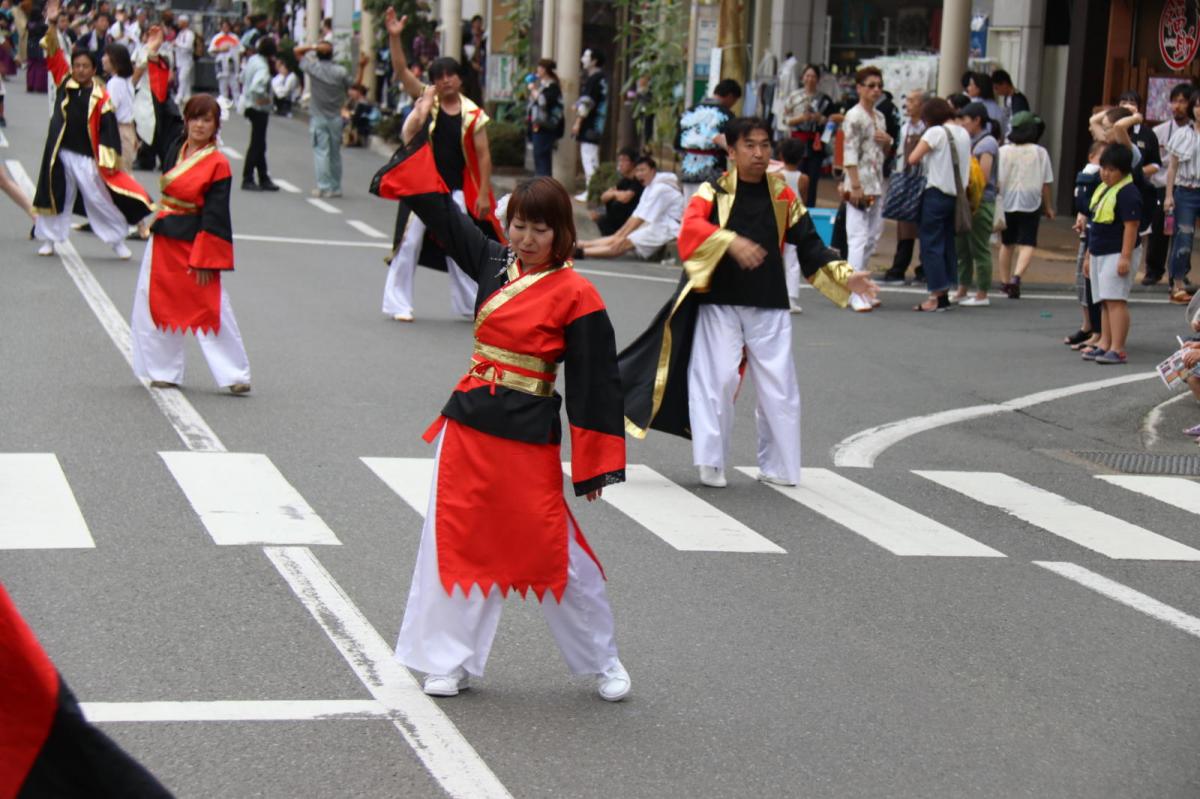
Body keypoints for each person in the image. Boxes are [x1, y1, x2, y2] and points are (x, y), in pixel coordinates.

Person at [376, 85, 631, 701]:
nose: (526, 237)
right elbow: (440, 211)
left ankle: (603, 661)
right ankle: (450, 660)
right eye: (518, 224)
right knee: (456, 543)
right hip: (468, 426)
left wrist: (595, 466)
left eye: (540, 228)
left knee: (555, 551)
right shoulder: (492, 261)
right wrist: (412, 144)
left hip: (527, 433)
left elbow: (596, 382)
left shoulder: (577, 294)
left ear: (561, 232)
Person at [618, 117, 878, 488]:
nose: (759, 153)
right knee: (719, 377)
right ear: (732, 150)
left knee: (780, 385)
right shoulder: (712, 191)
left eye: (765, 145)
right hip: (719, 301)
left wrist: (845, 276)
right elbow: (690, 229)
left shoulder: (783, 194)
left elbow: (810, 244)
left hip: (768, 301)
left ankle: (779, 466)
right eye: (750, 146)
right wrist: (728, 240)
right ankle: (711, 460)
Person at [376, 8, 500, 323]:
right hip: (421, 188)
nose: (445, 80)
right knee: (408, 244)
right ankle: (398, 303)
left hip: (454, 190)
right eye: (439, 76)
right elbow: (401, 70)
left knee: (461, 247)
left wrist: (483, 193)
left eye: (450, 75)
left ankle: (469, 304)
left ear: (459, 78)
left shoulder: (473, 114)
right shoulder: (426, 102)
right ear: (433, 82)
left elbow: (484, 155)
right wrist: (395, 38)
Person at [129, 94, 251, 394]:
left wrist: (206, 259)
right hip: (164, 237)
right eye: (194, 118)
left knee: (212, 306)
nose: (199, 125)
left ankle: (234, 374)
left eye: (207, 120)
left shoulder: (218, 164)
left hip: (196, 240)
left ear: (216, 125)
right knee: (157, 303)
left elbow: (216, 214)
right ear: (186, 121)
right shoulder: (176, 147)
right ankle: (163, 370)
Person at [32, 1, 152, 259]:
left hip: (88, 156)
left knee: (98, 198)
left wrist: (108, 157)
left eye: (85, 66)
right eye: (77, 65)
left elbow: (108, 128)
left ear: (93, 69)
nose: (80, 70)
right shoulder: (65, 81)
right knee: (58, 196)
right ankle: (49, 240)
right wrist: (51, 23)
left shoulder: (101, 95)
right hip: (62, 152)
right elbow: (53, 52)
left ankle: (117, 239)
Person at [907, 97, 972, 312]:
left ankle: (935, 295)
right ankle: (944, 294)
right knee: (947, 244)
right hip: (956, 197)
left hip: (935, 194)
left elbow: (913, 158)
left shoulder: (935, 132)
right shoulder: (963, 133)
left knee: (931, 244)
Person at [1080, 144, 1141, 365]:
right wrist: (1089, 255)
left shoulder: (1128, 192)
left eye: (1112, 169)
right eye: (1104, 168)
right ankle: (1105, 343)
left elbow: (1131, 227)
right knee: (1105, 300)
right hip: (1100, 250)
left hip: (1117, 252)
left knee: (1116, 300)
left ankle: (1118, 348)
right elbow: (1095, 224)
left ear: (1123, 170)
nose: (1106, 173)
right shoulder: (1104, 188)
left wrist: (1125, 257)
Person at [840, 66, 891, 312]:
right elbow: (849, 152)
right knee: (858, 237)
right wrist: (855, 184)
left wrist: (888, 141)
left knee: (871, 237)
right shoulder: (854, 116)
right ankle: (854, 291)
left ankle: (863, 287)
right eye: (871, 85)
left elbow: (882, 152)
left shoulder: (879, 116)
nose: (876, 90)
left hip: (876, 182)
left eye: (879, 86)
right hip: (859, 183)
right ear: (859, 88)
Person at [295, 40, 368, 199]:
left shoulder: (314, 68)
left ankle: (324, 187)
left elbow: (297, 52)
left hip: (319, 116)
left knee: (321, 152)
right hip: (336, 117)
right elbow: (356, 85)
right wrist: (362, 67)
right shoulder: (340, 71)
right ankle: (335, 187)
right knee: (335, 153)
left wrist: (314, 46)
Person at [996, 111, 1055, 299]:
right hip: (1031, 201)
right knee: (1028, 243)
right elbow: (1046, 183)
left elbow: (997, 179)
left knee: (1007, 243)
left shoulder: (1003, 151)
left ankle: (1004, 282)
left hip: (1007, 200)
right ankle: (1016, 277)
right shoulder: (1040, 152)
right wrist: (1048, 207)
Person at [577, 156, 683, 259]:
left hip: (670, 228)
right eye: (637, 171)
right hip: (658, 223)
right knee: (618, 237)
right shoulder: (649, 187)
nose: (639, 174)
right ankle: (581, 245)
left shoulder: (660, 189)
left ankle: (582, 252)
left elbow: (641, 218)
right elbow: (636, 214)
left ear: (653, 171)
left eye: (643, 170)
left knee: (624, 242)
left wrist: (623, 236)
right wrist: (620, 233)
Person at [880, 88, 929, 286]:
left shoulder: (929, 129)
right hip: (905, 179)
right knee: (904, 226)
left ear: (922, 105)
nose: (907, 104)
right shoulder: (904, 127)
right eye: (907, 100)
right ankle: (898, 268)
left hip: (923, 180)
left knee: (924, 227)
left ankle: (924, 269)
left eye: (912, 101)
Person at [1146, 83, 1193, 286]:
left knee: (1184, 231)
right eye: (1174, 101)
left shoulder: (1195, 132)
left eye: (1182, 101)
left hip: (1186, 185)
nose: (1177, 106)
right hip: (1161, 184)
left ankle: (1180, 271)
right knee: (1158, 228)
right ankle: (1153, 270)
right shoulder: (1159, 131)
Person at [953, 102, 999, 306]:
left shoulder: (987, 143)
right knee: (962, 248)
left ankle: (982, 293)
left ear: (977, 120)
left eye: (965, 119)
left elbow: (984, 177)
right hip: (967, 201)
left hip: (980, 201)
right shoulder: (971, 141)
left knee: (979, 248)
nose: (962, 123)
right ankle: (962, 289)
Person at [1067, 141, 1106, 353]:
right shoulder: (1088, 175)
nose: (1104, 167)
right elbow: (1085, 204)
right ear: (1091, 157)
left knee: (1096, 287)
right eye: (1101, 160)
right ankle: (1088, 326)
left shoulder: (1101, 178)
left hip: (1098, 237)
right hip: (1087, 234)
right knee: (1082, 282)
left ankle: (1098, 332)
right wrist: (1082, 216)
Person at [676, 78, 741, 201]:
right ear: (730, 96)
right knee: (711, 206)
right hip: (714, 169)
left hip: (688, 168)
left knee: (690, 205)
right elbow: (732, 145)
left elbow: (677, 144)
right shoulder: (727, 115)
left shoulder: (688, 112)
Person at [1163, 89, 1200, 305]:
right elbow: (1172, 167)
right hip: (1185, 191)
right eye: (1197, 105)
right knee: (1183, 238)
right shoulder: (1182, 134)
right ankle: (1177, 285)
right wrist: (1168, 195)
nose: (1199, 110)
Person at [781, 64, 834, 208]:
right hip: (796, 143)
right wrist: (800, 119)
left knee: (812, 178)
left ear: (818, 79)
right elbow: (784, 119)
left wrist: (820, 119)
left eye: (813, 76)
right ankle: (792, 206)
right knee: (794, 175)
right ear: (802, 78)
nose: (810, 79)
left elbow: (831, 123)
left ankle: (809, 209)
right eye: (807, 76)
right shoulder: (794, 97)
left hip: (815, 143)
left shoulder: (825, 100)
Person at [238, 36, 279, 192]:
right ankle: (247, 177)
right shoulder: (263, 67)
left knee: (260, 143)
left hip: (248, 105)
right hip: (259, 108)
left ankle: (263, 177)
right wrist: (266, 99)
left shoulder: (253, 59)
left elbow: (242, 77)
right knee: (256, 144)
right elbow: (257, 88)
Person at [572, 48, 607, 201]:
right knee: (591, 156)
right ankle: (593, 189)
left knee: (589, 157)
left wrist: (578, 122)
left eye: (586, 56)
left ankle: (592, 190)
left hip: (591, 124)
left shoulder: (594, 79)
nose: (583, 59)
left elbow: (587, 103)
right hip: (597, 123)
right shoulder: (601, 78)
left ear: (594, 61)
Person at [589, 146, 642, 236]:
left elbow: (626, 197)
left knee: (606, 215)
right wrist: (615, 194)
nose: (620, 164)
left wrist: (613, 194)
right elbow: (604, 197)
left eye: (624, 160)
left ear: (633, 163)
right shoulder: (624, 181)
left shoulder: (638, 181)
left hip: (630, 221)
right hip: (616, 220)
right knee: (597, 215)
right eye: (619, 160)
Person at [526, 58, 563, 178]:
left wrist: (533, 89)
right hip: (537, 126)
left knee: (543, 157)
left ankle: (544, 183)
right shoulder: (542, 85)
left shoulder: (553, 87)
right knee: (538, 156)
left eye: (540, 68)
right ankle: (540, 181)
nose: (537, 70)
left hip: (546, 126)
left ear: (545, 70)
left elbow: (543, 101)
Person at [208, 19, 241, 103]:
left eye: (227, 26)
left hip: (232, 66)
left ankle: (237, 104)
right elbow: (211, 50)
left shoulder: (234, 37)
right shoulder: (217, 37)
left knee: (235, 87)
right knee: (223, 87)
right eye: (224, 26)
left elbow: (240, 50)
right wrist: (220, 50)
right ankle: (223, 105)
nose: (225, 28)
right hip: (221, 66)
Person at [991, 69, 1029, 136]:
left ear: (1004, 84)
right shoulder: (1007, 97)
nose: (996, 92)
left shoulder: (1018, 100)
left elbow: (1019, 122)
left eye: (996, 88)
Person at [171, 14, 194, 106]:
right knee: (186, 80)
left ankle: (179, 97)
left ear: (185, 23)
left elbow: (188, 46)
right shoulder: (180, 34)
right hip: (179, 60)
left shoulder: (189, 34)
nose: (178, 23)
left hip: (186, 61)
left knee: (182, 78)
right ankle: (187, 97)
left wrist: (177, 44)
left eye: (180, 22)